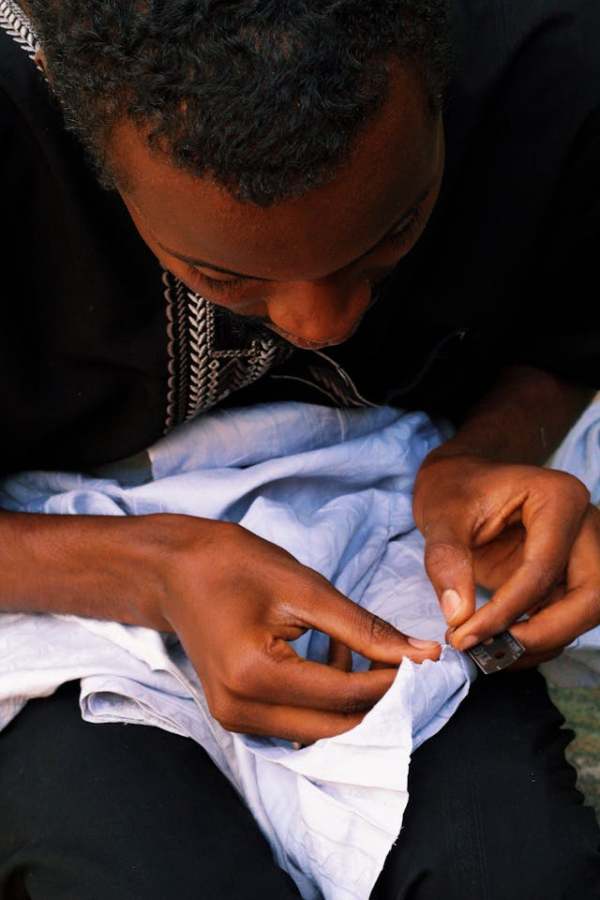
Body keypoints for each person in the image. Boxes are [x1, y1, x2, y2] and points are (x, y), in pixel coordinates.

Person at [0, 0, 599, 897]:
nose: (322, 325)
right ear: (78, 123)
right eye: (225, 274)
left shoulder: (549, 63)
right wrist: (151, 568)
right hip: (43, 573)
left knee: (516, 871)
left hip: (385, 527)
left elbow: (562, 337)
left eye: (392, 230)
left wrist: (483, 454)